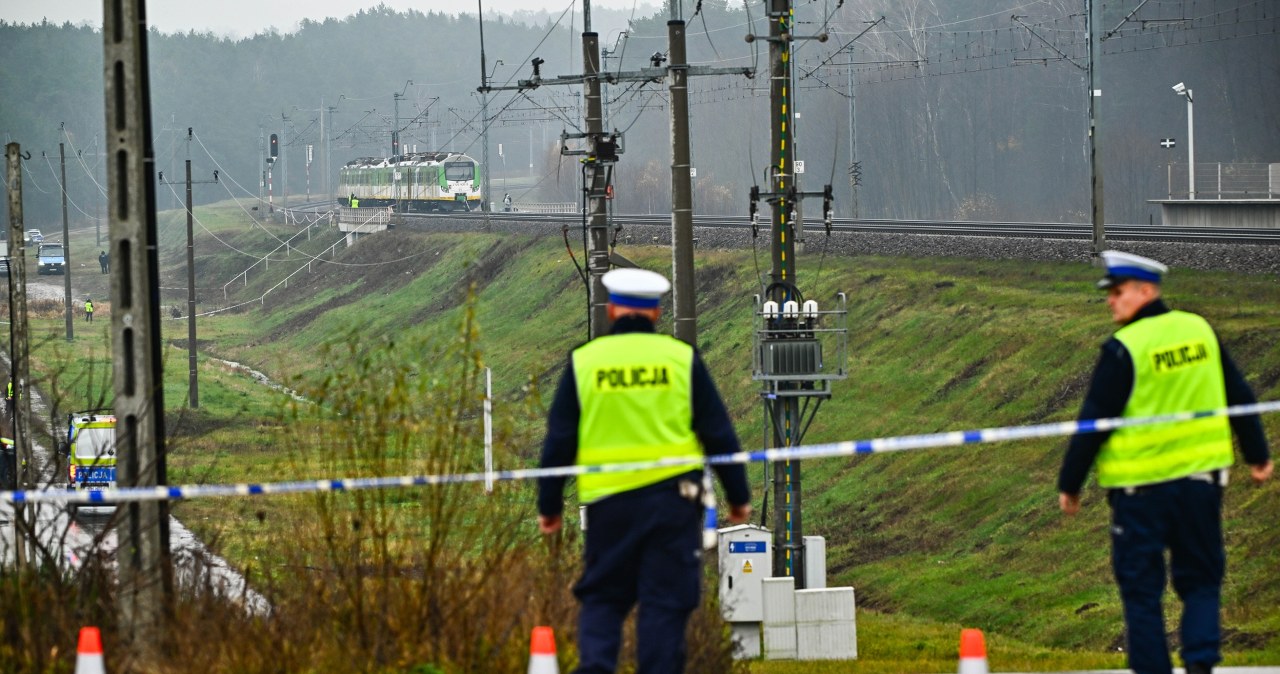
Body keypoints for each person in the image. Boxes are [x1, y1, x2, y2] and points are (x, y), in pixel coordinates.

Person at [1058, 250, 1273, 674]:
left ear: (1146, 291)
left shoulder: (1124, 348)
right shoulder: (1199, 330)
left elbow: (1094, 421)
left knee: (1141, 591)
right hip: (1200, 484)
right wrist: (1258, 455)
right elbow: (1239, 394)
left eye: (1118, 293)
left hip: (1140, 492)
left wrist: (1070, 482)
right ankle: (1200, 666)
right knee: (1201, 581)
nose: (1110, 301)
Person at [538, 268, 752, 674]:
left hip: (608, 506)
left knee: (603, 598)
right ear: (655, 313)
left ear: (614, 309)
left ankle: (596, 668)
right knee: (664, 603)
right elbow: (718, 433)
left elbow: (559, 440)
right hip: (673, 507)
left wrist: (550, 506)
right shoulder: (680, 360)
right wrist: (738, 498)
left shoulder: (585, 362)